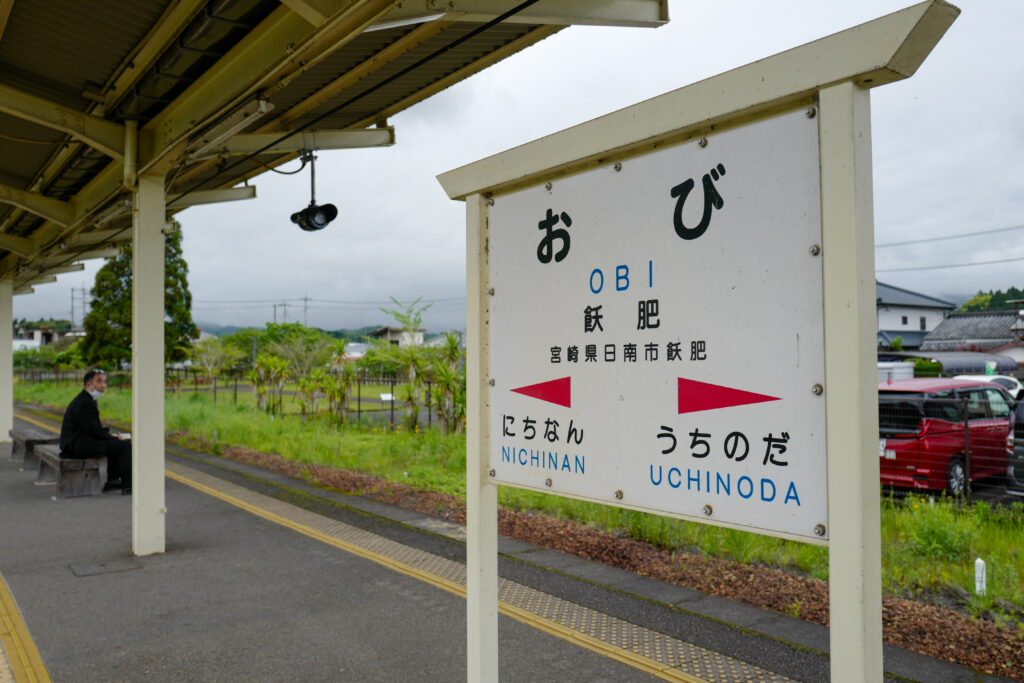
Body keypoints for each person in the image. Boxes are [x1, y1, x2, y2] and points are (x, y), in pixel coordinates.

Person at [59, 369, 131, 494]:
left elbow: (93, 429)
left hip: (75, 443)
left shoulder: (85, 399)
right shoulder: (84, 404)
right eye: (99, 381)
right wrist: (113, 438)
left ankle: (113, 481)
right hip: (76, 447)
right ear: (88, 385)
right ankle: (128, 485)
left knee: (114, 445)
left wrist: (111, 437)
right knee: (124, 446)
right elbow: (95, 431)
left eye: (104, 382)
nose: (103, 385)